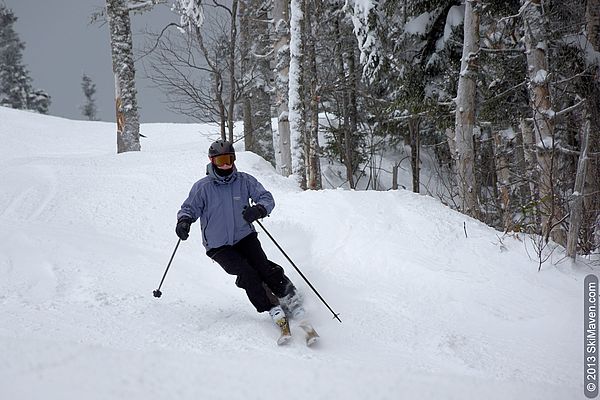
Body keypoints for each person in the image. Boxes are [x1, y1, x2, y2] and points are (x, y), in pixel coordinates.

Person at [175, 139, 303, 330]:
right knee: (246, 273)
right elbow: (189, 208)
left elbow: (266, 198)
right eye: (220, 161)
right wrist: (184, 221)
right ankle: (271, 307)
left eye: (229, 159)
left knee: (264, 267)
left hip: (245, 237)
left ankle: (291, 299)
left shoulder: (244, 181)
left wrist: (259, 210)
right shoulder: (203, 187)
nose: (225, 165)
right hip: (218, 246)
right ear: (212, 161)